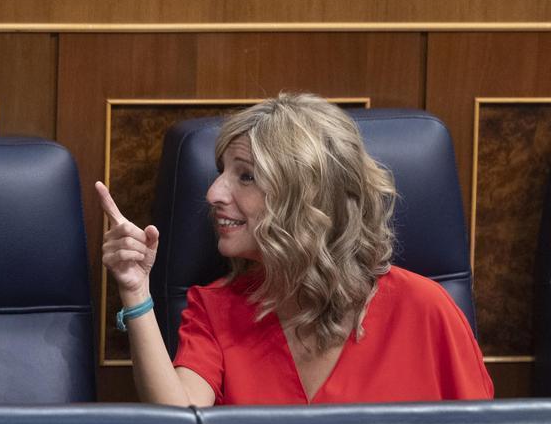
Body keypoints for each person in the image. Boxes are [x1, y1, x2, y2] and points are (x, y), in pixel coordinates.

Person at [96, 92, 493, 406]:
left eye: (246, 176)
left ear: (309, 199)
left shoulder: (426, 310)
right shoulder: (216, 310)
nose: (213, 193)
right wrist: (135, 290)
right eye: (222, 172)